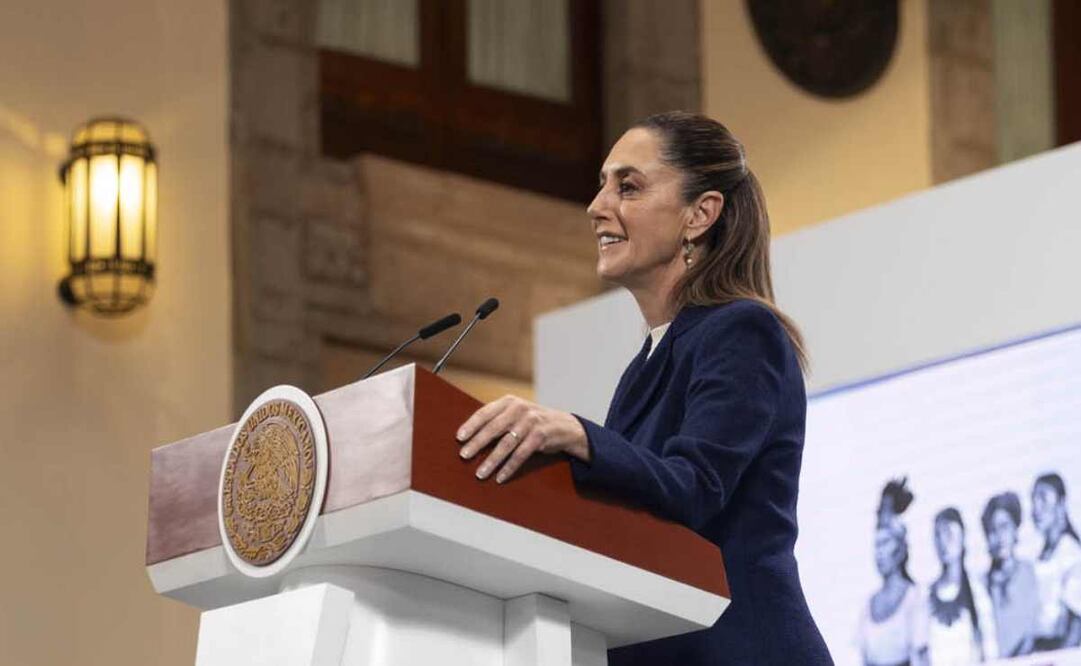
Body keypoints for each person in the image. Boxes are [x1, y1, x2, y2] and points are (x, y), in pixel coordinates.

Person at [455, 111, 833, 664]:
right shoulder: (646, 365)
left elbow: (695, 486)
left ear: (700, 214)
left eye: (627, 186)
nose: (597, 206)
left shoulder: (742, 331)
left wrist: (576, 435)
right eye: (602, 184)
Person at [858, 478, 929, 666]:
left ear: (900, 548)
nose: (879, 553)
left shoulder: (915, 598)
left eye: (885, 543)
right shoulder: (868, 606)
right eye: (876, 545)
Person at [926, 508, 989, 665]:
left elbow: (989, 645)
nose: (943, 542)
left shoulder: (977, 590)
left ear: (962, 537)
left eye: (949, 534)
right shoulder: (926, 596)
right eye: (938, 535)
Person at [980, 492, 1039, 658]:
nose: (999, 537)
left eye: (1004, 526)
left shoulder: (1032, 573)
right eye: (992, 530)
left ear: (1015, 529)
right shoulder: (981, 585)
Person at [1031, 472, 1081, 651]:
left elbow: (1077, 625)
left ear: (1061, 504)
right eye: (1034, 499)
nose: (1036, 508)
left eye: (1043, 498)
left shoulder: (1071, 553)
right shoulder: (1042, 556)